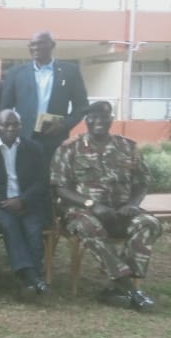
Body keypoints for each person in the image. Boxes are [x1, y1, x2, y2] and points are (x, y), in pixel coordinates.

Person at [51, 101, 162, 311]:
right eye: (93, 117)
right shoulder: (69, 148)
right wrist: (91, 204)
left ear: (111, 119)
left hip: (122, 211)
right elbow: (60, 188)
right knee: (88, 227)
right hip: (82, 211)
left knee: (150, 223)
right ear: (86, 120)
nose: (98, 121)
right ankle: (130, 288)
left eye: (103, 117)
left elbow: (143, 182)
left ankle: (114, 289)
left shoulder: (128, 147)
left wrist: (132, 204)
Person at [0, 110, 49, 297]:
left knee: (33, 229)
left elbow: (42, 181)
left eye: (15, 124)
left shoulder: (34, 148)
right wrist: (4, 203)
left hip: (27, 202)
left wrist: (22, 200)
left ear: (21, 126)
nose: (11, 128)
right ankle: (32, 277)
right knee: (9, 224)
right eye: (6, 124)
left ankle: (28, 281)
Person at [0, 30, 89, 164]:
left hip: (55, 138)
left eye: (40, 43)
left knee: (52, 175)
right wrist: (8, 132)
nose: (35, 48)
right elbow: (4, 107)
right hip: (23, 138)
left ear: (52, 45)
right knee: (25, 174)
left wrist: (65, 124)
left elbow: (82, 106)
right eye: (32, 44)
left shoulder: (70, 71)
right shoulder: (16, 72)